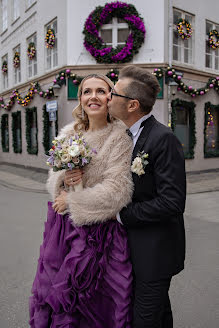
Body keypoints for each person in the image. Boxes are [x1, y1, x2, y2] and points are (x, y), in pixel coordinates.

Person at [29, 74, 134, 328]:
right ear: (81, 99)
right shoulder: (69, 133)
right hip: (63, 232)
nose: (93, 97)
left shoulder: (119, 136)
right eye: (87, 92)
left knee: (97, 304)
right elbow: (52, 180)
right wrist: (64, 177)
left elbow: (118, 191)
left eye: (101, 91)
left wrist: (74, 202)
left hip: (102, 236)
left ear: (110, 98)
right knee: (62, 301)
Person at [107, 65, 186, 328]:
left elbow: (172, 202)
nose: (108, 97)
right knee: (159, 317)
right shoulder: (126, 135)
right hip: (136, 251)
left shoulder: (163, 139)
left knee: (144, 321)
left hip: (156, 255)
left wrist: (121, 215)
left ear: (132, 105)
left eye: (113, 94)